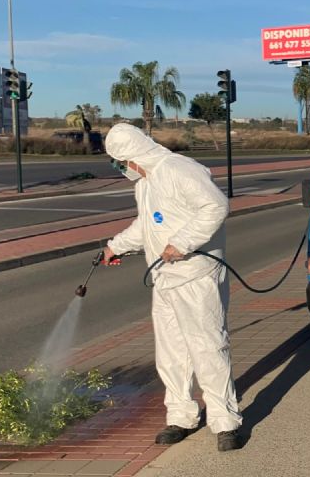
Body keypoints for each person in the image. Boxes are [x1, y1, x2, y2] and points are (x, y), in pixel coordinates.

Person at [102, 123, 242, 452]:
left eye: (119, 163)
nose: (121, 169)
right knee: (171, 352)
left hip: (196, 275)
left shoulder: (178, 169)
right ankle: (181, 416)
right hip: (165, 278)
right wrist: (115, 246)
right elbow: (147, 225)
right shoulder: (146, 183)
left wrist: (182, 242)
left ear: (131, 155)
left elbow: (215, 206)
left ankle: (225, 422)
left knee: (207, 347)